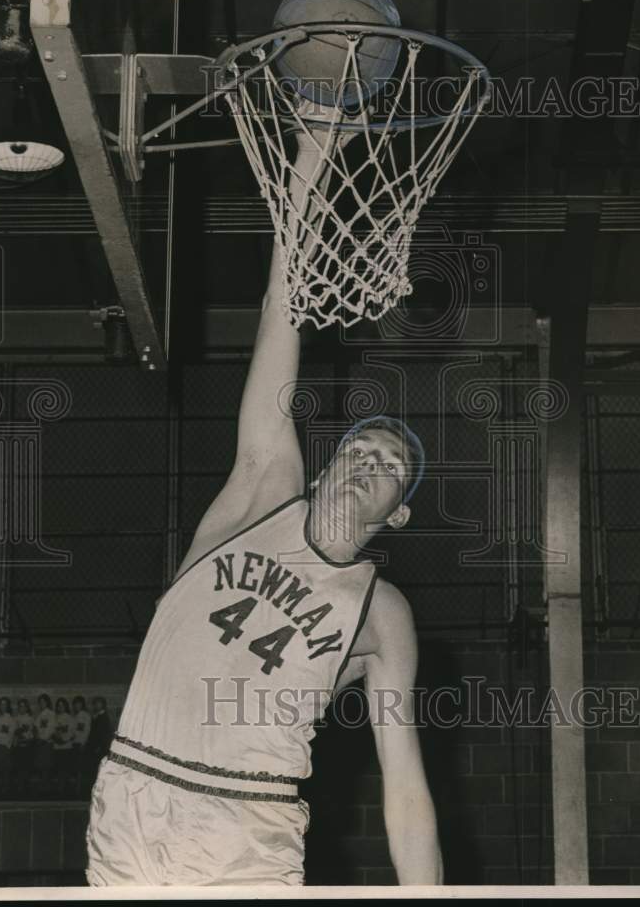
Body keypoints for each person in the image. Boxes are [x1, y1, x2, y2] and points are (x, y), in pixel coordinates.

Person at [86, 128, 442, 887]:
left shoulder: (383, 615)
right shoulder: (261, 492)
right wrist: (309, 159)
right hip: (132, 794)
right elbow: (280, 316)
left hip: (248, 828)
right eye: (356, 447)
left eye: (388, 467)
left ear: (398, 515)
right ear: (324, 467)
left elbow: (406, 787)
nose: (365, 461)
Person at [12, 698, 35, 795]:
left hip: (27, 745)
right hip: (19, 745)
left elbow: (31, 733)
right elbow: (14, 732)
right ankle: (19, 785)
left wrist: (28, 739)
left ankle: (26, 784)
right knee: (19, 766)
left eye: (24, 706)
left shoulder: (30, 718)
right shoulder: (16, 718)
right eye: (20, 706)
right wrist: (15, 741)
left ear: (27, 708)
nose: (22, 708)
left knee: (27, 766)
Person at [0, 696, 16, 797]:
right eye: (1, 704)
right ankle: (1, 787)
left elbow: (11, 735)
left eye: (5, 704)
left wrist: (8, 747)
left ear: (8, 706)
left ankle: (6, 789)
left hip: (6, 747)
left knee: (6, 769)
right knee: (0, 768)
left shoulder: (10, 719)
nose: (2, 706)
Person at [33, 693, 55, 795]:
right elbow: (36, 727)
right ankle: (42, 785)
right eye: (40, 702)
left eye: (43, 702)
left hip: (46, 743)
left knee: (46, 765)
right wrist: (37, 737)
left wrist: (43, 739)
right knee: (40, 765)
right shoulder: (40, 714)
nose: (41, 704)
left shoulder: (51, 714)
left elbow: (51, 729)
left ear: (47, 702)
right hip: (39, 742)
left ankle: (46, 787)